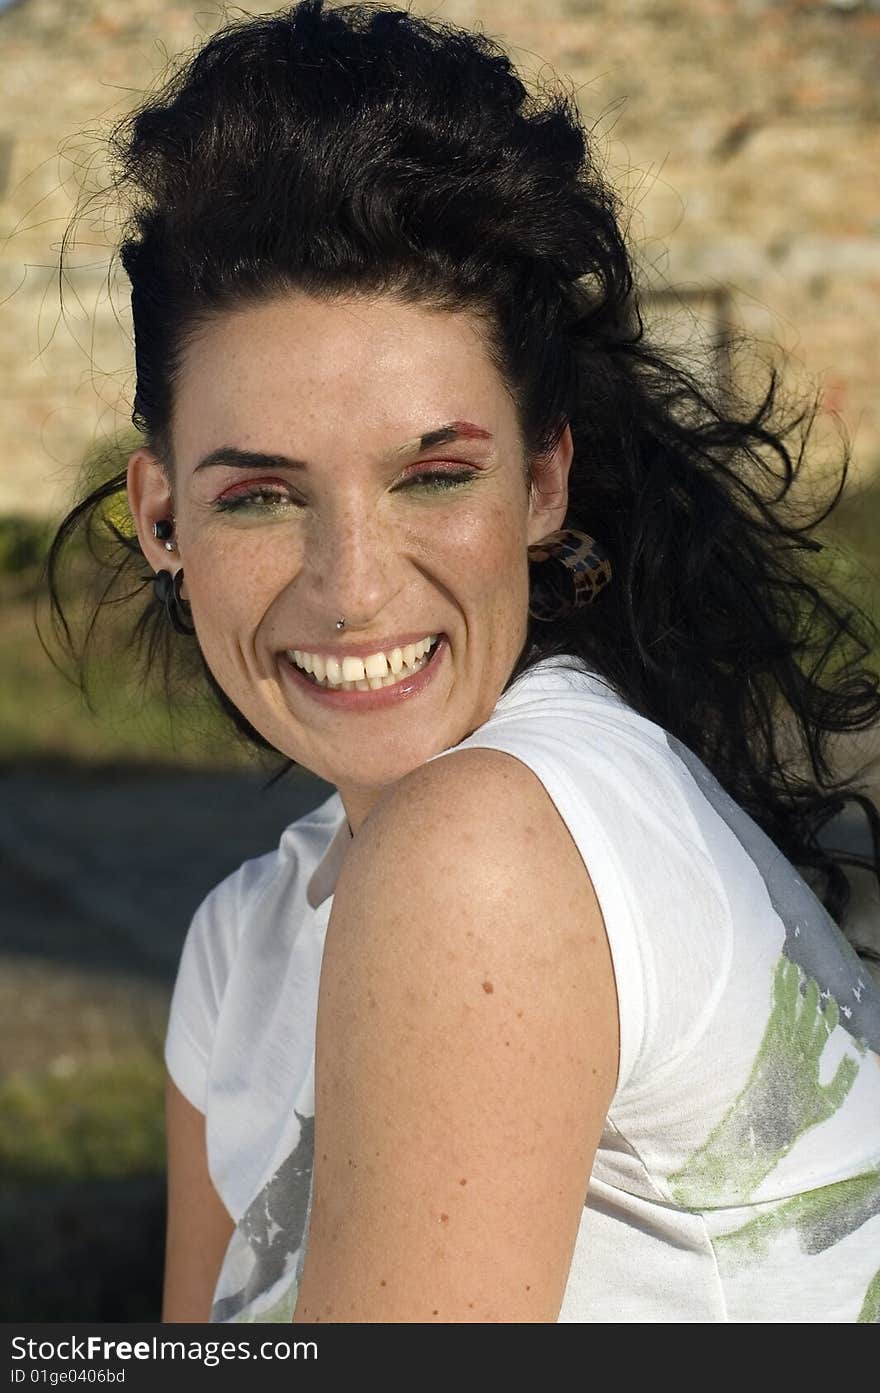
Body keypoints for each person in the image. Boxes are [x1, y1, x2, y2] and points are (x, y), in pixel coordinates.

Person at [46, 0, 880, 1323]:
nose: (354, 588)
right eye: (261, 496)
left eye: (435, 476)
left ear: (543, 481)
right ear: (162, 518)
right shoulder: (240, 944)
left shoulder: (486, 847)